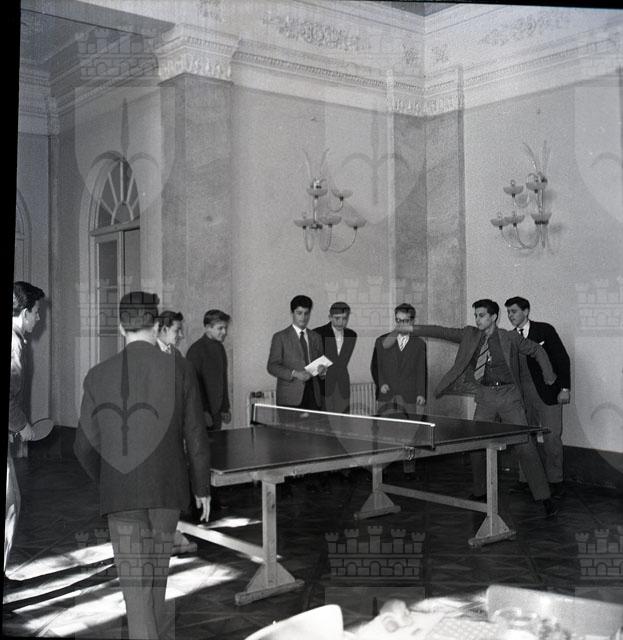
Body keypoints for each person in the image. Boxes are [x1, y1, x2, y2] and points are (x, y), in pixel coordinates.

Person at [74, 291, 210, 639]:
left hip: (121, 494)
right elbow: (196, 435)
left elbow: (83, 446)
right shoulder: (181, 369)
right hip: (167, 492)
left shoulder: (97, 375)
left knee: (136, 593)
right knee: (156, 581)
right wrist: (202, 488)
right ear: (156, 324)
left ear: (121, 327)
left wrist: (107, 479)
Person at [402, 298, 559, 518]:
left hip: (509, 397)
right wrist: (413, 328)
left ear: (493, 317)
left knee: (525, 445)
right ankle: (480, 491)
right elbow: (442, 331)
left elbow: (537, 351)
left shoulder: (509, 337)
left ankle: (544, 497)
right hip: (485, 396)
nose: (477, 319)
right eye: (476, 315)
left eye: (482, 315)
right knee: (476, 444)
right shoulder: (470, 334)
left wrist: (549, 377)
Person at [505, 296, 571, 498]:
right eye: (508, 312)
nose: (510, 315)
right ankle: (526, 480)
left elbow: (562, 359)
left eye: (514, 311)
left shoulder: (545, 330)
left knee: (552, 437)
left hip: (548, 393)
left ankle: (555, 481)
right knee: (524, 438)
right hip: (521, 397)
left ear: (526, 311)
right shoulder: (508, 337)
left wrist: (565, 388)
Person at [7, 282, 45, 580]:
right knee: (10, 505)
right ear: (24, 313)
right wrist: (23, 426)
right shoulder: (15, 344)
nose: (38, 318)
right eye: (36, 312)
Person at [267, 295, 324, 410]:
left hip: (313, 394)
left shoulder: (316, 337)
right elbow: (272, 366)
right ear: (292, 313)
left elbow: (320, 363)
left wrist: (323, 371)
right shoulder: (280, 337)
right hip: (290, 396)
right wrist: (294, 373)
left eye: (306, 313)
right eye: (299, 313)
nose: (303, 317)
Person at [371, 303, 426, 419]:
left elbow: (421, 371)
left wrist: (421, 393)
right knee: (385, 427)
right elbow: (376, 366)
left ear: (412, 321)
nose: (401, 325)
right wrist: (381, 383)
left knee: (408, 428)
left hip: (409, 395)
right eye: (398, 320)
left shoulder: (419, 344)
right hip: (386, 395)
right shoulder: (381, 341)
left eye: (405, 321)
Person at [186, 310, 231, 431]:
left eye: (225, 328)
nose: (224, 332)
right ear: (207, 328)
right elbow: (194, 385)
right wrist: (204, 411)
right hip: (202, 413)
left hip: (217, 412)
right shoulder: (195, 351)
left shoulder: (220, 348)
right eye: (220, 328)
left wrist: (225, 408)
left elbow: (223, 379)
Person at [312, 301, 357, 414]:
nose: (341, 322)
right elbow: (311, 360)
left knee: (344, 420)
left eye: (344, 318)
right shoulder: (317, 333)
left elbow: (341, 361)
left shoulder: (351, 335)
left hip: (342, 385)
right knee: (325, 421)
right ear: (330, 317)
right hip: (324, 385)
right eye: (337, 318)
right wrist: (319, 371)